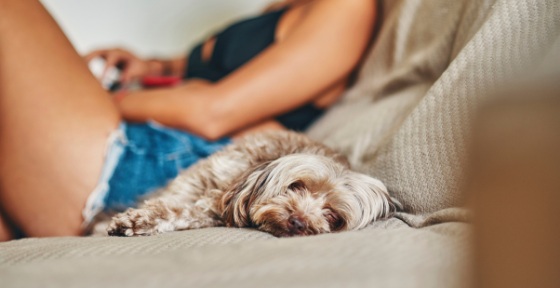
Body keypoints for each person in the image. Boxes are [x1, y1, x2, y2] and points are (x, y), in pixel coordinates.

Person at [0, 0, 377, 241]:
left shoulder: (346, 8)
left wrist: (112, 97)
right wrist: (153, 65)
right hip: (154, 134)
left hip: (163, 159)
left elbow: (212, 112)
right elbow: (202, 67)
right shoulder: (282, 9)